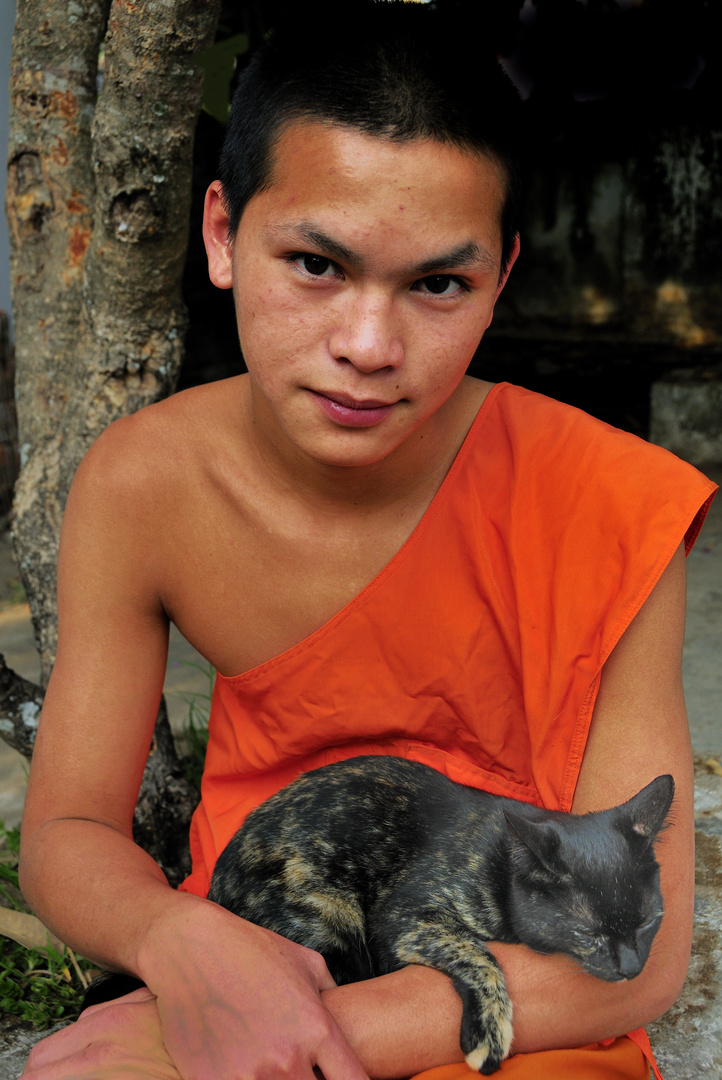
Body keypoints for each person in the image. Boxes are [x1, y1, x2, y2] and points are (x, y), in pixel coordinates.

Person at [18, 3, 716, 1078]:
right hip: (270, 943)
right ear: (219, 234)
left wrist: (284, 1037)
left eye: (437, 285)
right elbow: (67, 832)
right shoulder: (145, 482)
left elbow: (644, 955)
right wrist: (181, 946)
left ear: (498, 284)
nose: (366, 345)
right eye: (314, 264)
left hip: (512, 1009)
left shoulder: (606, 500)